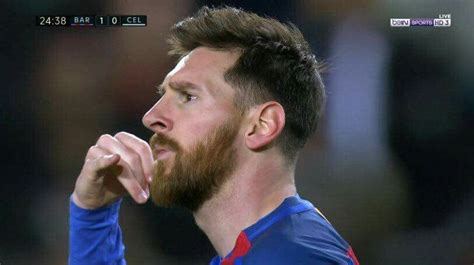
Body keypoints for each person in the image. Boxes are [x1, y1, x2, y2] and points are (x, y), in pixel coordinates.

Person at [69, 6, 360, 265]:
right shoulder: (272, 247)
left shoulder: (294, 256)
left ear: (262, 125)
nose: (151, 117)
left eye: (188, 97)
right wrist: (93, 217)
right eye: (163, 95)